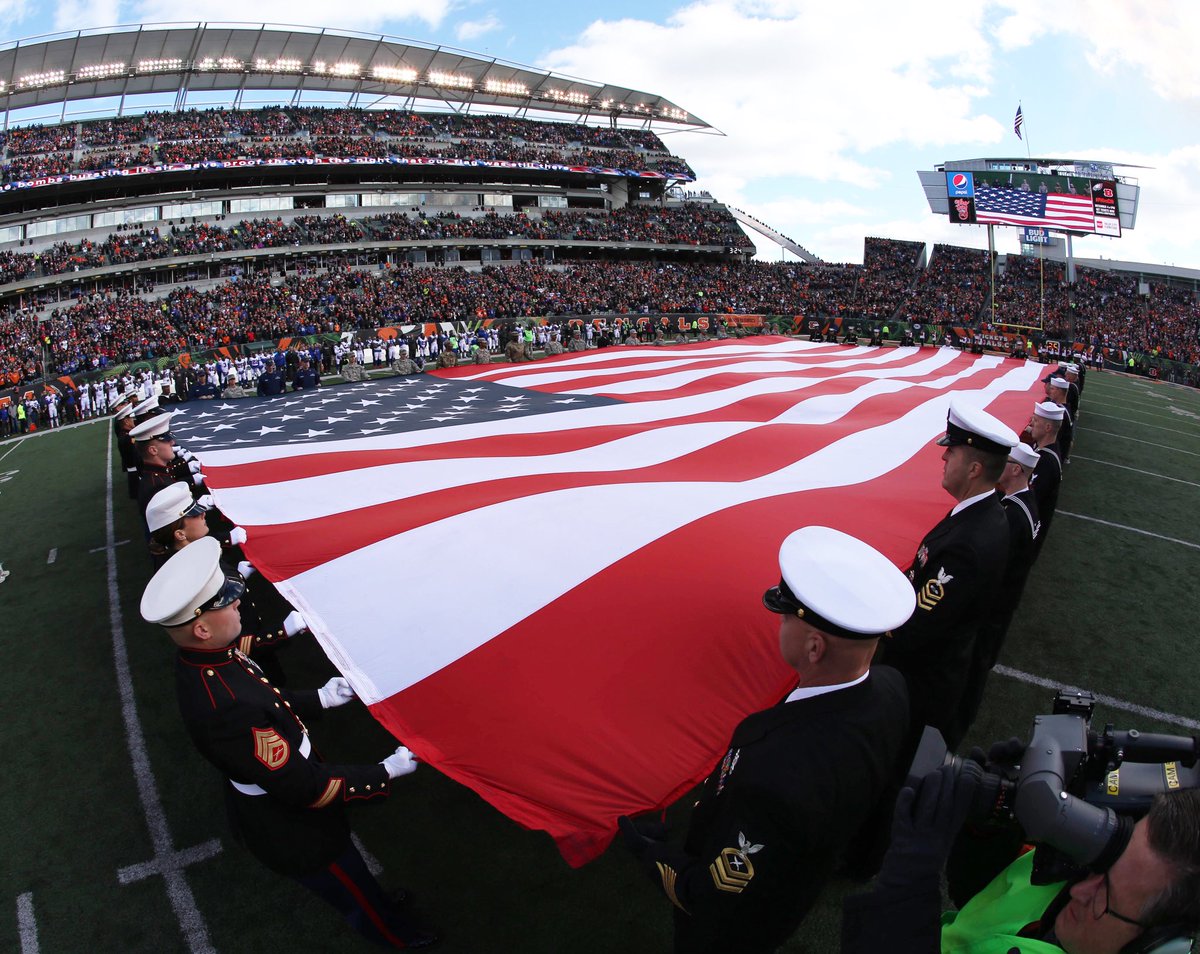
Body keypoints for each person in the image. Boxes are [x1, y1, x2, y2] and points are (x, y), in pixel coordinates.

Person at [619, 526, 915, 954]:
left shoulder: (776, 773)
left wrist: (653, 854)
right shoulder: (891, 689)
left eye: (784, 616)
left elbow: (711, 896)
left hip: (737, 927)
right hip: (800, 876)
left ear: (815, 648)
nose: (777, 622)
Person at [139, 537, 437, 949]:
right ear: (202, 627)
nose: (238, 603)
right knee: (348, 885)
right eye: (227, 601)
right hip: (294, 829)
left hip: (286, 801)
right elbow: (305, 786)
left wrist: (321, 697)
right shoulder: (223, 703)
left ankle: (384, 909)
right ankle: (397, 937)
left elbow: (265, 698)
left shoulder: (209, 658)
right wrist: (383, 771)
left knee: (356, 875)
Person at [843, 765, 1200, 954]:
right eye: (1104, 864)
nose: (1080, 891)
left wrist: (904, 887)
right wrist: (991, 831)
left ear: (1155, 944)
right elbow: (985, 902)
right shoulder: (1084, 869)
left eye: (1105, 895)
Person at [878, 400, 1015, 752]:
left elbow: (912, 630)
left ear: (973, 468)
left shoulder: (969, 543)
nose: (943, 458)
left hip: (917, 687)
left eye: (950, 453)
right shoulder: (984, 515)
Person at [957, 441, 1041, 731]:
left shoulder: (1012, 513)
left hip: (994, 610)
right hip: (1004, 606)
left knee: (974, 669)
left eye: (1005, 463)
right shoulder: (1026, 505)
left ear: (1016, 469)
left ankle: (957, 725)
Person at [1027, 401, 1064, 557]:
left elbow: (1031, 501)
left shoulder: (1046, 462)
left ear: (1048, 428)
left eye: (1035, 421)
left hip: (1029, 538)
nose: (1031, 423)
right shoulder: (1046, 450)